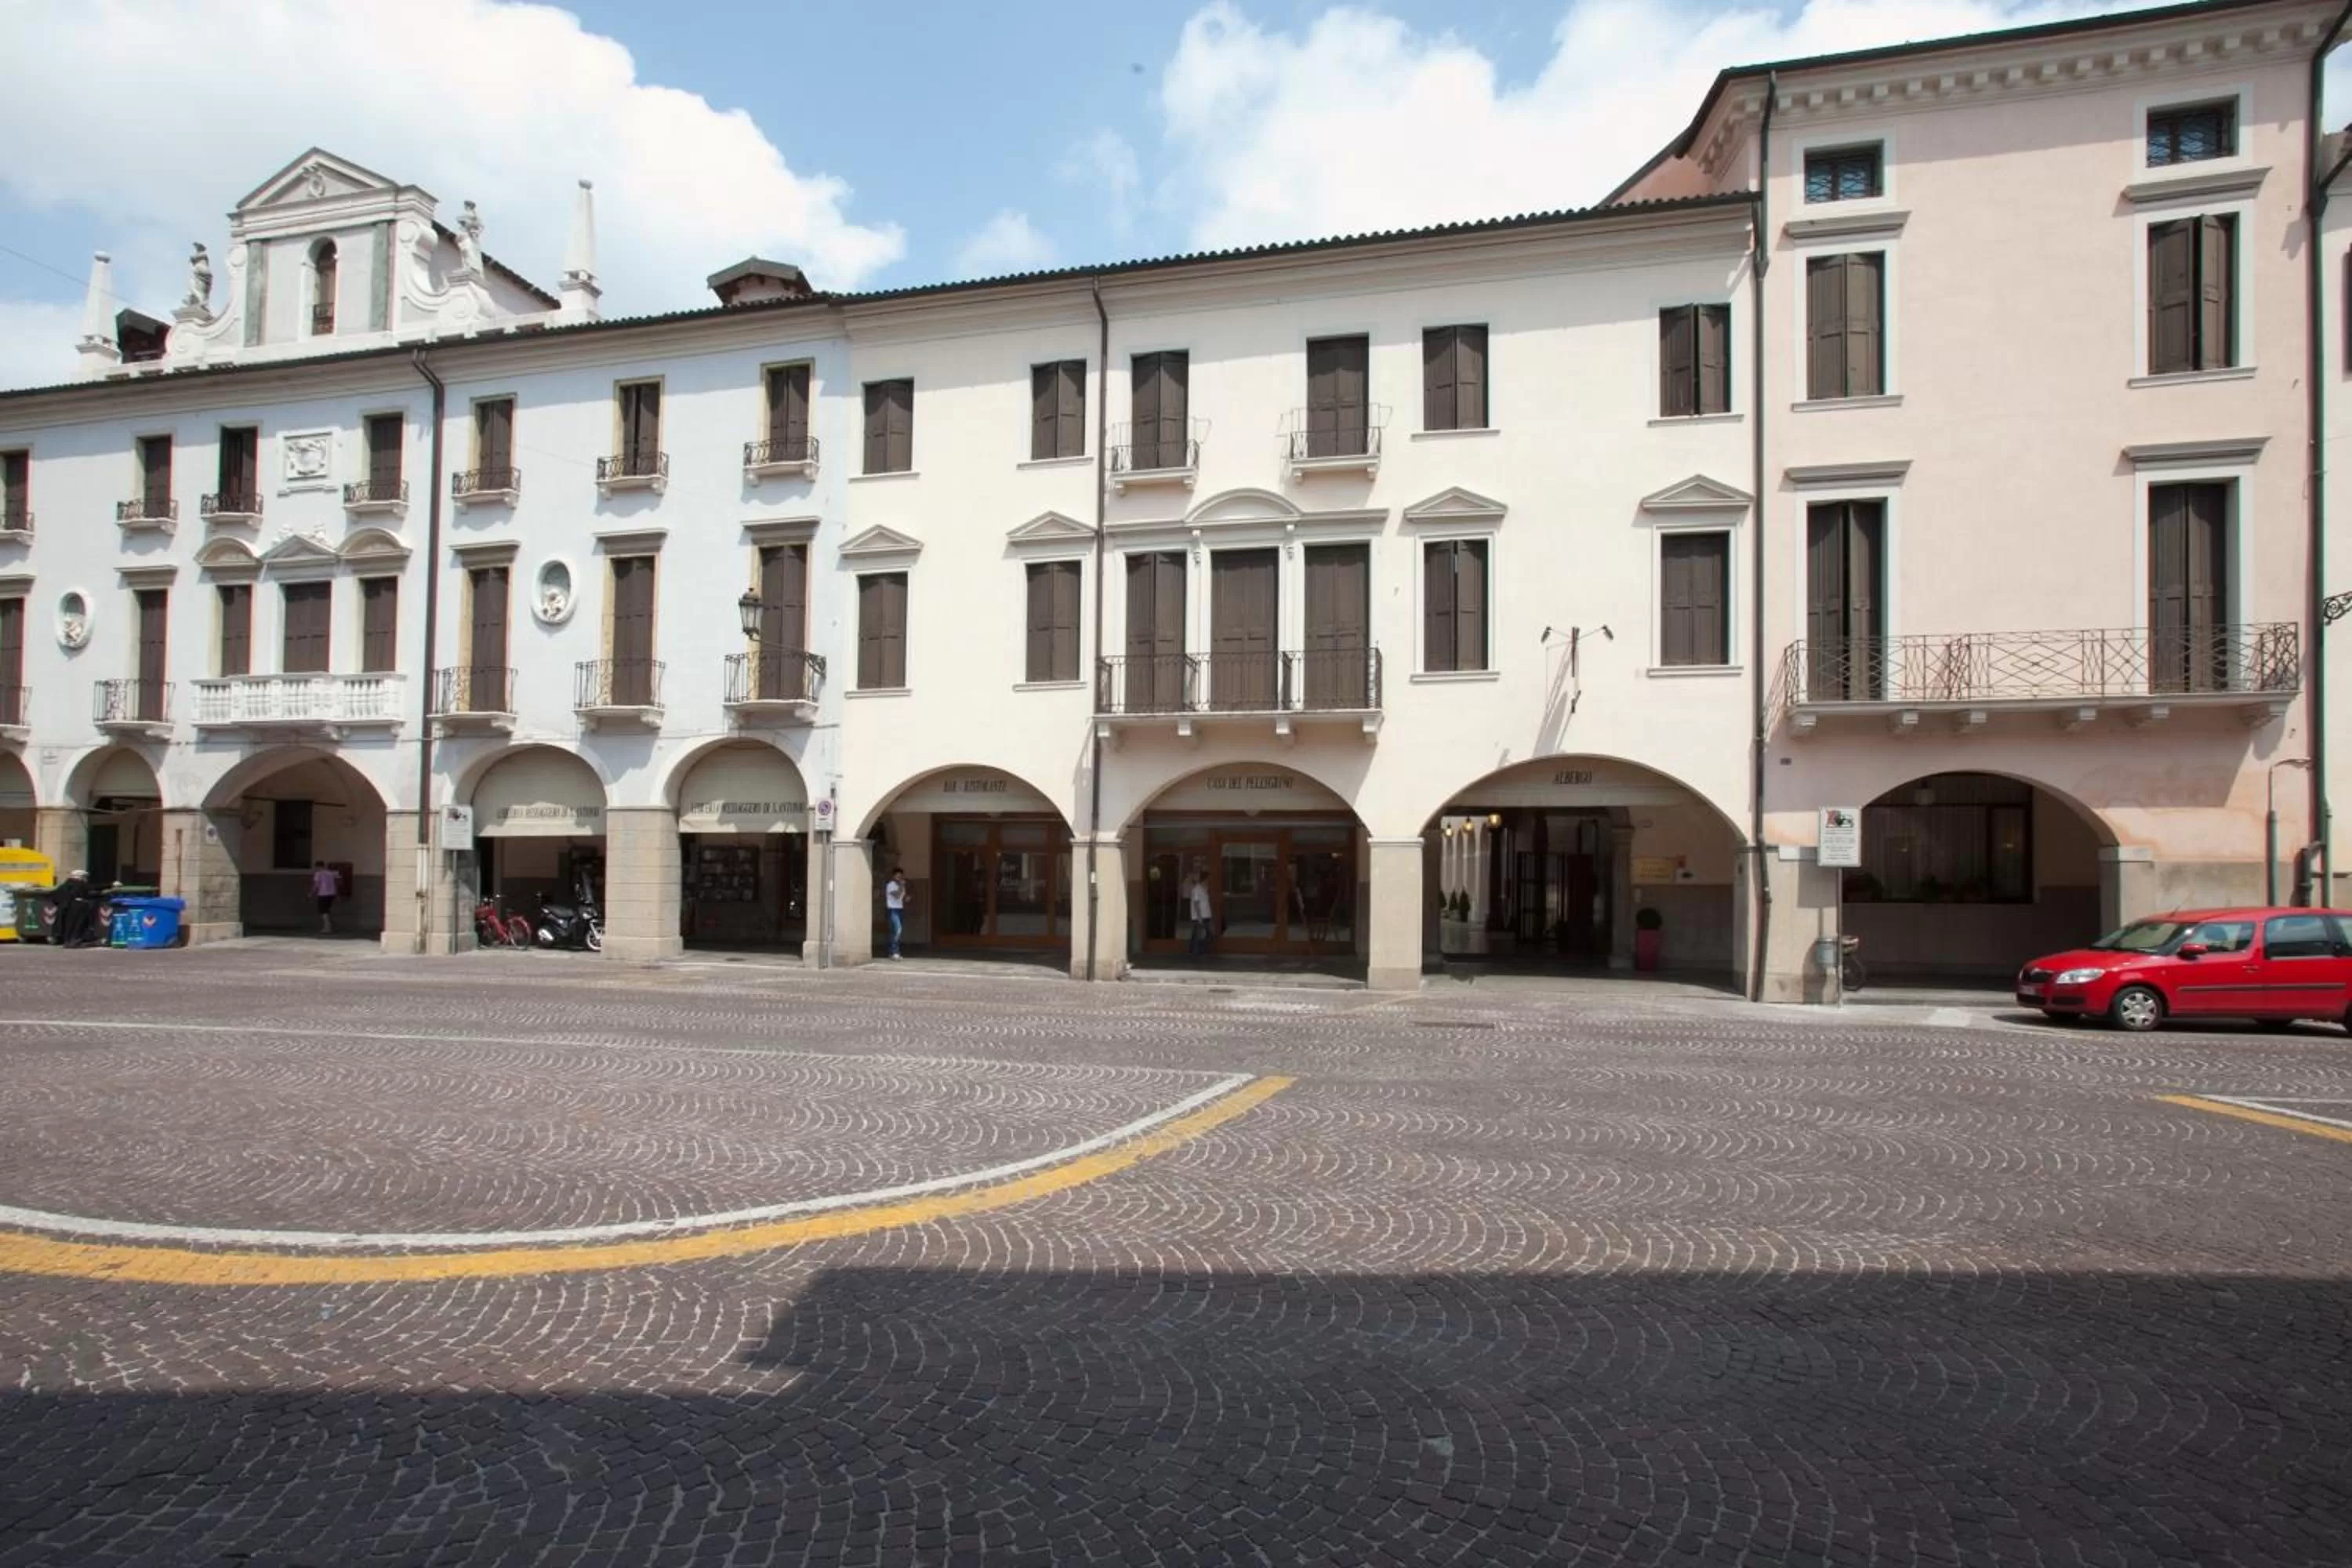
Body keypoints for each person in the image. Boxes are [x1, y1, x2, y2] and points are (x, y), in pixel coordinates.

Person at [45, 870, 97, 949]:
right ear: (82, 877)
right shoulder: (81, 885)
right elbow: (90, 895)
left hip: (64, 909)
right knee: (77, 926)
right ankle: (75, 941)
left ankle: (66, 941)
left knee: (67, 926)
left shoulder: (63, 886)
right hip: (79, 907)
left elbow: (55, 898)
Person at [1187, 866, 1214, 958]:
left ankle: (1195, 950)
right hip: (1200, 916)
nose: (1209, 881)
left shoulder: (1204, 889)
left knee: (1199, 934)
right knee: (1201, 935)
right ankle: (1196, 952)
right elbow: (1196, 904)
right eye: (1208, 879)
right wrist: (1199, 917)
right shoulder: (1197, 890)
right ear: (1204, 879)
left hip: (1206, 915)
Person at [883, 866, 908, 960]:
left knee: (895, 931)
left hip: (900, 909)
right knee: (898, 929)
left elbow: (902, 898)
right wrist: (902, 886)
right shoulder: (891, 885)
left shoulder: (900, 886)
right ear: (894, 876)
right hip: (892, 910)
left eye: (901, 876)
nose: (900, 877)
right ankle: (894, 951)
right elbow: (897, 895)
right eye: (898, 876)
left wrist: (907, 898)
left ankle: (893, 952)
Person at [310, 861, 340, 935]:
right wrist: (337, 894)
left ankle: (327, 927)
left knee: (323, 911)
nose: (316, 869)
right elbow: (336, 882)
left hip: (323, 894)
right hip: (331, 894)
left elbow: (316, 885)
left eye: (316, 867)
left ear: (318, 867)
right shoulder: (330, 873)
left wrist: (311, 893)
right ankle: (328, 926)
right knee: (327, 910)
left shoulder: (318, 873)